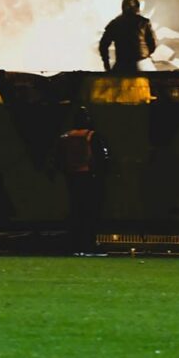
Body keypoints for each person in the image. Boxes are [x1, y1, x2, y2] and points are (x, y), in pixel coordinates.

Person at [56, 106, 109, 255]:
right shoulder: (91, 136)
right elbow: (101, 157)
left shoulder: (66, 137)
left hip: (70, 177)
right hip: (88, 176)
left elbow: (58, 158)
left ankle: (74, 244)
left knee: (75, 211)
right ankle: (88, 243)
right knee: (90, 211)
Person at [99, 0, 156, 73]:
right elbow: (152, 44)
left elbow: (103, 45)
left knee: (114, 83)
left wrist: (106, 64)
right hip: (142, 63)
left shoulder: (115, 23)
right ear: (137, 7)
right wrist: (146, 55)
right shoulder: (144, 22)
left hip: (122, 64)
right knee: (155, 82)